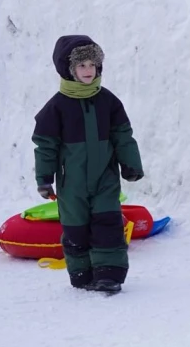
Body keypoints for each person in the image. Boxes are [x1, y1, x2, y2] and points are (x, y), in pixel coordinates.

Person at [32, 35, 144, 294]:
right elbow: (45, 146)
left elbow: (123, 136)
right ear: (68, 69)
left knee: (108, 222)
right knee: (76, 227)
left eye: (93, 65)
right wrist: (44, 179)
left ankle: (109, 274)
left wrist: (131, 165)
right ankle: (82, 273)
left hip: (105, 176)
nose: (88, 71)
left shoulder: (109, 101)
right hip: (71, 182)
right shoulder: (56, 107)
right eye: (81, 65)